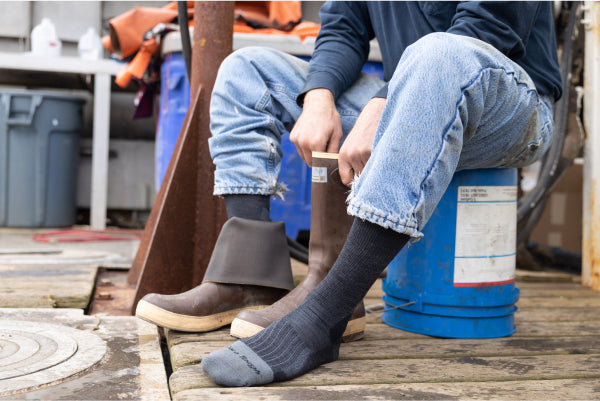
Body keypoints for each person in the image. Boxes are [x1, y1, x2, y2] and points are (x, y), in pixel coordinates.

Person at [143, 1, 562, 387]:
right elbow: (343, 26)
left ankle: (327, 315)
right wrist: (319, 95)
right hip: (411, 92)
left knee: (439, 53)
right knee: (246, 69)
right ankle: (249, 281)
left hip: (513, 107)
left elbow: (488, 26)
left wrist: (382, 103)